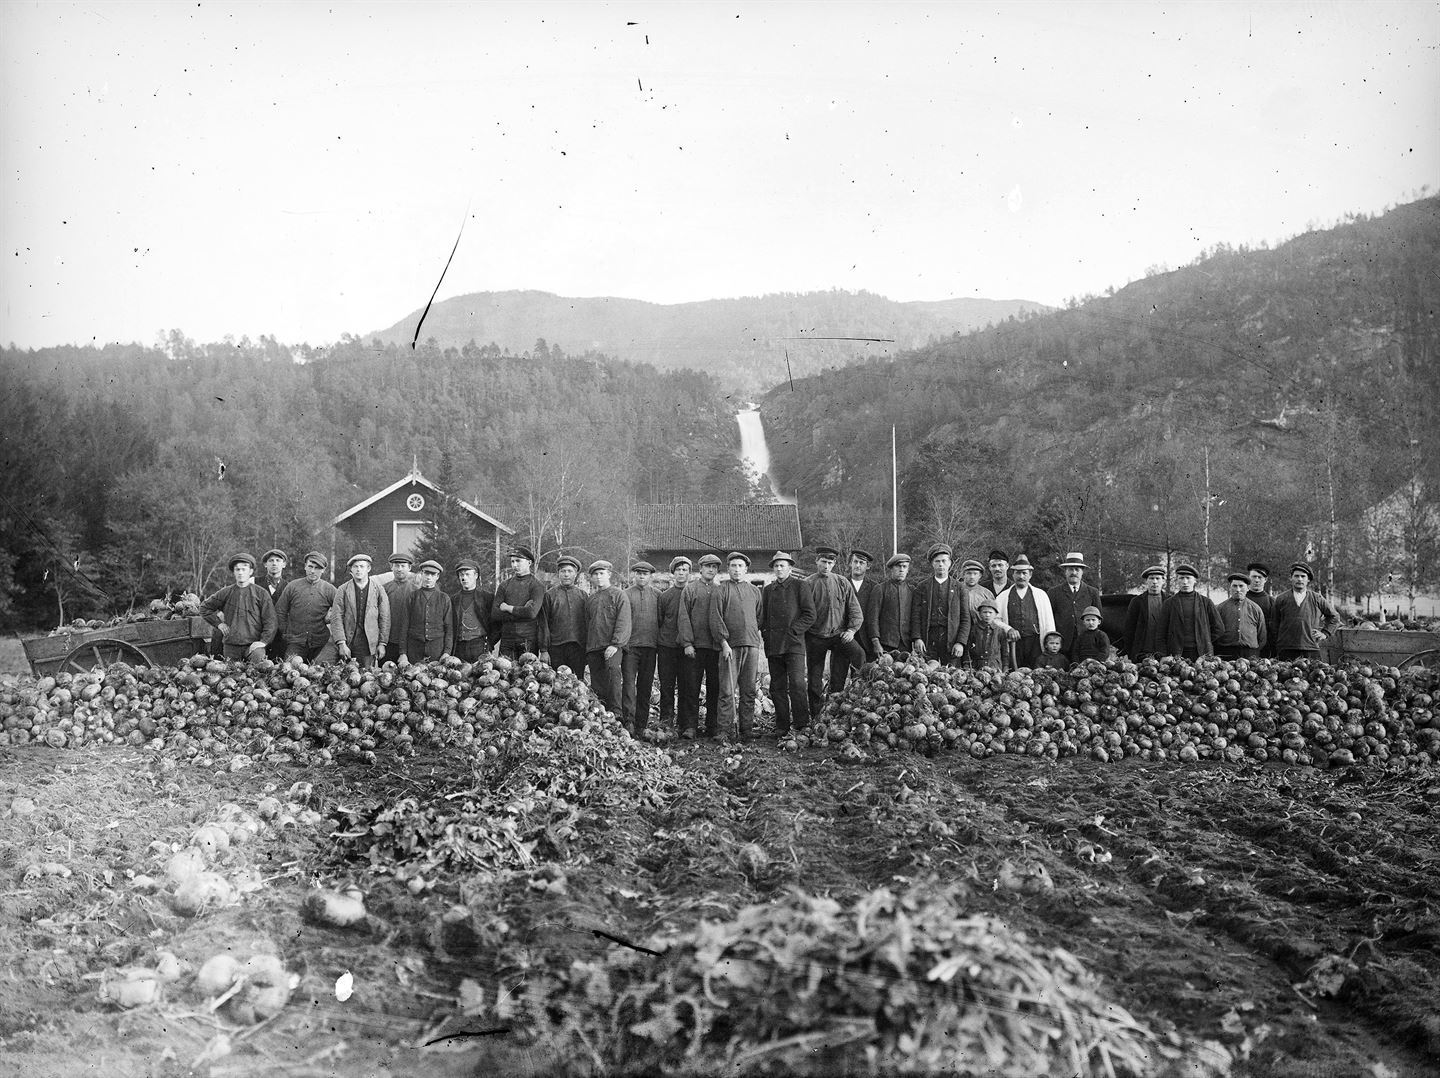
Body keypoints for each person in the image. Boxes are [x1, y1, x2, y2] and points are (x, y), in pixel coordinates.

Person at [759, 551, 816, 738]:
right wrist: (766, 635)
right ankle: (782, 724)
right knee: (777, 686)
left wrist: (793, 631)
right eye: (776, 566)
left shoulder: (801, 586)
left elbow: (810, 614)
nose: (779, 568)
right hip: (774, 645)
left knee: (798, 684)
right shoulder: (768, 590)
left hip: (794, 645)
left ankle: (802, 723)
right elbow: (764, 617)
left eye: (782, 565)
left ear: (790, 568)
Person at [805, 545, 866, 717]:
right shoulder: (808, 584)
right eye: (823, 562)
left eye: (830, 562)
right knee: (814, 679)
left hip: (838, 635)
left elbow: (855, 610)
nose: (826, 566)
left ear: (834, 564)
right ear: (816, 561)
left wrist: (852, 630)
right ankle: (816, 715)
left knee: (858, 655)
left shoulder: (842, 582)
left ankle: (843, 705)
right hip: (815, 636)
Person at [711, 552, 763, 741]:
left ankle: (746, 729)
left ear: (746, 569)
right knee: (727, 690)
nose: (737, 569)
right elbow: (715, 619)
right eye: (733, 566)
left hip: (751, 645)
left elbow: (759, 618)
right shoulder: (721, 590)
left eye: (740, 566)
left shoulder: (755, 591)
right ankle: (725, 730)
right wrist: (724, 643)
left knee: (748, 690)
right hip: (729, 647)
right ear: (728, 569)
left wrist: (752, 637)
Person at [200, 552, 277, 665]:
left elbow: (271, 621)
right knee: (230, 678)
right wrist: (219, 624)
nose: (240, 572)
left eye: (244, 569)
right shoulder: (226, 592)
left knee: (258, 673)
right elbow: (204, 608)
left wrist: (263, 642)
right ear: (234, 572)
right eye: (237, 569)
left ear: (250, 571)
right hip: (231, 646)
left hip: (253, 646)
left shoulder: (261, 593)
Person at [679, 554, 723, 738]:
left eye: (714, 567)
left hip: (715, 648)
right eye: (707, 566)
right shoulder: (690, 589)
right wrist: (687, 643)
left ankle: (712, 725)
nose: (710, 570)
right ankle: (690, 726)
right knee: (691, 687)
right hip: (695, 648)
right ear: (700, 569)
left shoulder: (720, 590)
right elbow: (683, 618)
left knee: (715, 687)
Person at [908, 544, 971, 667]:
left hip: (951, 640)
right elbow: (915, 615)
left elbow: (965, 618)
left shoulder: (960, 588)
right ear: (932, 564)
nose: (941, 564)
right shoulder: (922, 587)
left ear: (950, 563)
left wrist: (960, 642)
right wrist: (917, 638)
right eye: (937, 561)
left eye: (944, 561)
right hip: (928, 639)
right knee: (926, 674)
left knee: (953, 677)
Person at [584, 560, 631, 718]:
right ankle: (601, 716)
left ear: (609, 574)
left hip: (612, 646)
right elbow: (587, 623)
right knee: (597, 683)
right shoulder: (591, 599)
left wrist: (615, 644)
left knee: (613, 676)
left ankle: (616, 713)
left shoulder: (618, 595)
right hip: (594, 647)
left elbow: (623, 621)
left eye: (601, 573)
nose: (598, 577)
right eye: (595, 574)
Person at [327, 553, 390, 668]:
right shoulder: (343, 589)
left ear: (368, 569)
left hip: (368, 643)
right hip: (349, 641)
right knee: (347, 676)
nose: (358, 570)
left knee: (366, 677)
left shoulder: (378, 590)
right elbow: (336, 617)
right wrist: (341, 643)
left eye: (362, 566)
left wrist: (382, 643)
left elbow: (385, 618)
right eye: (355, 567)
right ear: (351, 569)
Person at [993, 554, 1055, 668]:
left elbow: (1049, 622)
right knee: (1014, 675)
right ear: (1013, 574)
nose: (1021, 576)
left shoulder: (1041, 595)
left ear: (1030, 574)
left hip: (1035, 642)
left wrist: (1049, 642)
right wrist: (1009, 629)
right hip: (1014, 644)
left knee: (1037, 673)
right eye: (1018, 573)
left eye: (1024, 573)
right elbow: (995, 620)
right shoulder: (1003, 597)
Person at [276, 551, 339, 663]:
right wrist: (285, 631)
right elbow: (280, 611)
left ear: (323, 570)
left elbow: (341, 610)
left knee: (320, 673)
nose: (313, 571)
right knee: (289, 670)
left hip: (321, 643)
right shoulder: (293, 586)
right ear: (305, 566)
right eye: (310, 566)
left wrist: (330, 616)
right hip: (296, 642)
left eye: (317, 568)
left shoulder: (329, 589)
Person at [1271, 561, 1340, 661]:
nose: (1299, 579)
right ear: (1291, 578)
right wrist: (1280, 641)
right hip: (1286, 649)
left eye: (1303, 576)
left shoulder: (1317, 598)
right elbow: (1274, 624)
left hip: (1310, 648)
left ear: (1308, 580)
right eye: (1296, 576)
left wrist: (1325, 633)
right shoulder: (1281, 599)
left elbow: (1334, 616)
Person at [655, 557, 693, 737]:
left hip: (687, 647)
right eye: (678, 570)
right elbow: (660, 619)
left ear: (689, 573)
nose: (681, 573)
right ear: (673, 573)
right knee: (667, 685)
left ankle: (685, 724)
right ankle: (666, 721)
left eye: (685, 570)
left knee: (687, 685)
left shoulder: (693, 593)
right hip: (667, 647)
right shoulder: (665, 596)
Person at [622, 561, 661, 737]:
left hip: (650, 647)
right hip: (630, 648)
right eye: (638, 573)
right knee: (629, 685)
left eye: (645, 574)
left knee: (645, 686)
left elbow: (661, 621)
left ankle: (641, 724)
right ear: (634, 575)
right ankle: (629, 721)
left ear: (650, 576)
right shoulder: (625, 595)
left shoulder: (658, 596)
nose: (641, 576)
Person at [832, 548, 877, 688]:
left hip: (865, 641)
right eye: (855, 562)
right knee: (837, 679)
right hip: (842, 639)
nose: (858, 565)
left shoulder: (874, 587)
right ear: (850, 563)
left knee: (862, 682)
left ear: (867, 566)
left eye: (862, 563)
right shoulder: (839, 583)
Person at [1158, 564, 1224, 659]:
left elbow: (1219, 628)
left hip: (1202, 653)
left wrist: (1204, 640)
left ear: (1195, 581)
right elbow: (1161, 632)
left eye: (1188, 578)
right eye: (1181, 578)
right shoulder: (1169, 603)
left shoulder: (1206, 602)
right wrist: (1164, 655)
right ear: (1177, 580)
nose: (1185, 582)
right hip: (1176, 653)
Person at [492, 546, 546, 660]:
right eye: (512, 561)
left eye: (518, 561)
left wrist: (508, 608)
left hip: (528, 640)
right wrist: (522, 612)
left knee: (527, 674)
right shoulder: (504, 585)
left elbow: (531, 613)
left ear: (529, 562)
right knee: (503, 673)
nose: (514, 565)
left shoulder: (537, 586)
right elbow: (495, 614)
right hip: (507, 639)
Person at [1047, 552, 1102, 663]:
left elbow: (1099, 617)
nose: (1074, 573)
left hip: (1086, 645)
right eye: (1070, 569)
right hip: (1062, 644)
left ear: (1082, 572)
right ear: (1065, 572)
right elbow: (1049, 618)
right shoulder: (1054, 592)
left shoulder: (1092, 592)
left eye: (1077, 570)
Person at [539, 555, 587, 677]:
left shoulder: (583, 596)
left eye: (570, 571)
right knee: (557, 684)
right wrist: (544, 650)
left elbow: (588, 623)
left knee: (578, 683)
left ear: (575, 574)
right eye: (563, 571)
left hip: (578, 647)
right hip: (556, 648)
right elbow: (543, 623)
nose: (566, 574)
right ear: (558, 573)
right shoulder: (549, 595)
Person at [397, 560, 453, 664]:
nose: (429, 577)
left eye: (433, 574)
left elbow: (449, 628)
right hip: (414, 648)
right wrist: (403, 653)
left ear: (437, 576)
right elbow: (404, 626)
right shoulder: (412, 597)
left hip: (437, 649)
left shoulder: (444, 599)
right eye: (426, 573)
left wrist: (447, 652)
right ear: (422, 574)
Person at [865, 553, 913, 659]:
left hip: (906, 645)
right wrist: (876, 642)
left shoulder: (912, 590)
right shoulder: (880, 589)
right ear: (891, 569)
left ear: (908, 570)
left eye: (904, 567)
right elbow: (872, 618)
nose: (901, 570)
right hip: (885, 644)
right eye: (898, 566)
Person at [452, 559, 496, 663]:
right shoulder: (453, 599)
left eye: (467, 574)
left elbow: (497, 625)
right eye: (461, 575)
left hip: (480, 646)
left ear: (476, 575)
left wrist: (490, 643)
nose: (464, 578)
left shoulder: (487, 598)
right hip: (459, 647)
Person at [1215, 571, 1268, 660]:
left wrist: (1255, 652)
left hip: (1250, 654)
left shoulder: (1255, 609)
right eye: (1234, 586)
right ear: (1229, 588)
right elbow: (1216, 633)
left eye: (1241, 586)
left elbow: (1262, 636)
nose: (1238, 590)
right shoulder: (1220, 608)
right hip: (1227, 653)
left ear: (1247, 588)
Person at [1121, 565, 1169, 660]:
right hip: (1142, 651)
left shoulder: (1170, 601)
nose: (1154, 582)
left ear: (1163, 581)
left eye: (1158, 578)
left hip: (1164, 652)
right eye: (1151, 578)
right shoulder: (1137, 602)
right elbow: (1129, 628)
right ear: (1146, 581)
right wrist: (1127, 651)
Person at [383, 553, 417, 659]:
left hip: (409, 641)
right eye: (396, 566)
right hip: (389, 640)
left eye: (403, 566)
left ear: (409, 568)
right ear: (391, 567)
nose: (399, 569)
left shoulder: (415, 590)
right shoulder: (384, 589)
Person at [260, 549, 289, 661]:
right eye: (271, 560)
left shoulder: (289, 587)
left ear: (284, 564)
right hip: (259, 632)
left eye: (278, 560)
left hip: (279, 636)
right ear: (265, 564)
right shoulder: (254, 582)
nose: (274, 563)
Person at [964, 600, 1009, 671]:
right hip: (976, 666)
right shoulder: (973, 630)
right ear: (979, 614)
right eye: (984, 612)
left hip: (995, 667)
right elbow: (967, 649)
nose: (987, 615)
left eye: (990, 612)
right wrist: (966, 664)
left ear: (996, 614)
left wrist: (1005, 666)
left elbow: (1005, 651)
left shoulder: (1000, 631)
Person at [1246, 562, 1277, 657]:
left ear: (1266, 579)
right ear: (1248, 577)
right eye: (1254, 576)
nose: (1256, 580)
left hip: (1266, 650)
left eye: (1260, 577)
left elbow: (1275, 629)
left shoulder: (1272, 602)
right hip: (1246, 648)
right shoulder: (1242, 599)